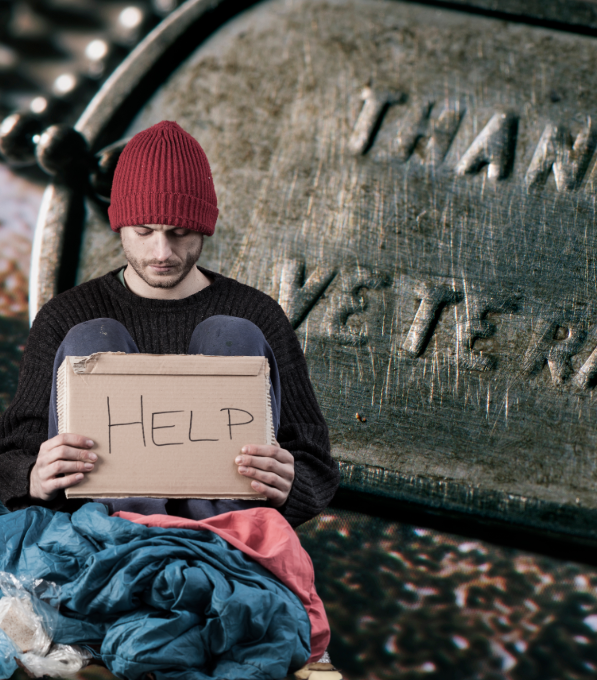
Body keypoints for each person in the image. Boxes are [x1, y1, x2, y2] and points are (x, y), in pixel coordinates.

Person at [0, 120, 341, 678]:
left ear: (204, 227)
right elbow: (8, 457)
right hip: (108, 540)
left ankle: (188, 583)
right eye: (144, 231)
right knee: (93, 341)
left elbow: (317, 466)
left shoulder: (257, 316)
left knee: (231, 338)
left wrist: (290, 483)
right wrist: (33, 478)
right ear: (119, 226)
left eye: (180, 233)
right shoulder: (67, 316)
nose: (162, 251)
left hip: (227, 545)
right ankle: (146, 580)